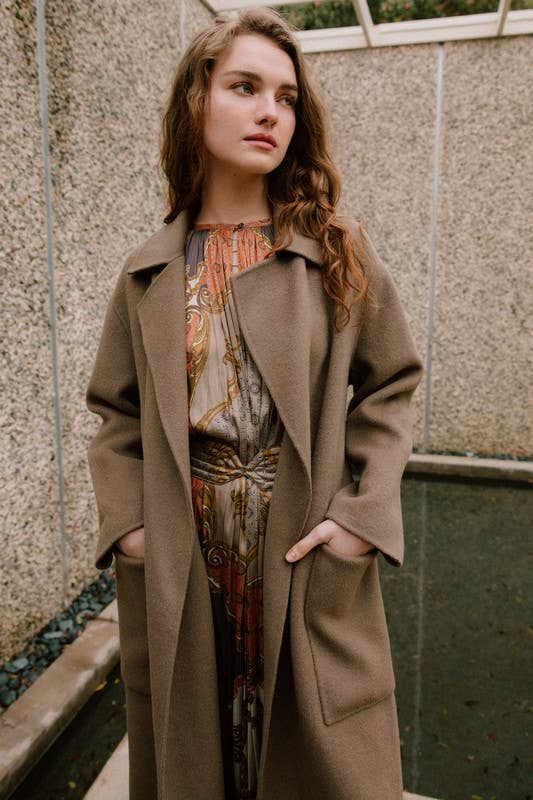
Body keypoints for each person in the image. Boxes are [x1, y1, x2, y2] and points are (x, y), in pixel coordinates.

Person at [86, 7, 423, 800]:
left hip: (301, 559)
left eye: (286, 96)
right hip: (182, 566)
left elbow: (390, 385)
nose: (271, 110)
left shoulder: (334, 250)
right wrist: (131, 527)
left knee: (311, 763)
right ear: (195, 102)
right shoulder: (147, 272)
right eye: (244, 87)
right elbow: (116, 414)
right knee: (199, 760)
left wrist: (359, 519)